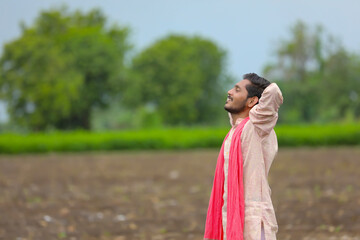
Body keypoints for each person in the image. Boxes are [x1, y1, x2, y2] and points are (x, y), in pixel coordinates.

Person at [204, 73, 283, 240]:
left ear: (252, 101)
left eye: (237, 89)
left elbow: (273, 92)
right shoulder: (234, 132)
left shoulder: (257, 127)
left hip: (254, 222)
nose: (229, 91)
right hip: (231, 217)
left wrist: (261, 86)